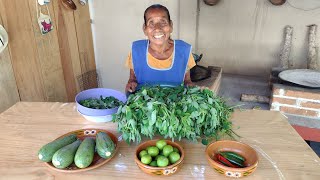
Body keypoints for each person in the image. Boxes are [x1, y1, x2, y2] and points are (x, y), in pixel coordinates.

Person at [125, 4, 196, 93]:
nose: (157, 28)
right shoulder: (137, 50)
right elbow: (132, 80)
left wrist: (194, 88)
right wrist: (131, 84)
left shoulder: (183, 51)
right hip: (143, 104)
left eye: (163, 22)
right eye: (151, 23)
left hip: (176, 104)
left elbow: (187, 81)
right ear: (145, 29)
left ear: (171, 26)